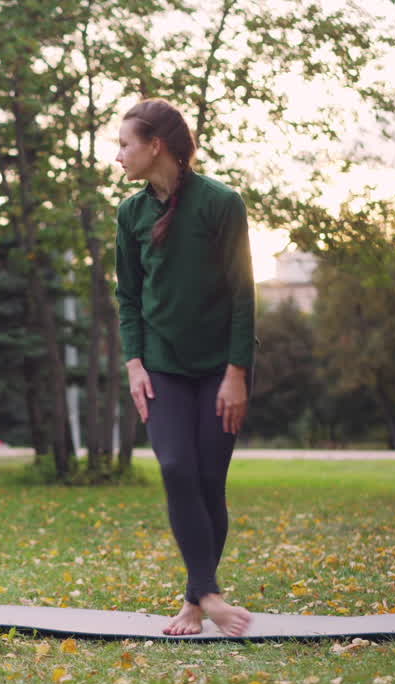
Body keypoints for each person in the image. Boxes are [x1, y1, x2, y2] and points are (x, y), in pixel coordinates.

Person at [114, 98, 255, 636]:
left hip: (221, 369)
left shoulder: (221, 203)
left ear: (156, 146)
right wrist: (134, 363)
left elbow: (243, 294)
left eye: (125, 144)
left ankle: (194, 604)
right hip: (161, 368)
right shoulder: (130, 214)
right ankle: (209, 594)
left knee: (209, 481)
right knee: (176, 468)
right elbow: (129, 297)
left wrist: (237, 372)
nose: (119, 155)